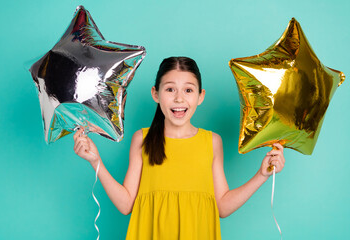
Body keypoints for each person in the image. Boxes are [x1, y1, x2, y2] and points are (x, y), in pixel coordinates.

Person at [73, 56, 285, 240]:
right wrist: (96, 161)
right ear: (156, 94)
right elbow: (126, 203)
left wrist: (261, 175)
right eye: (170, 89)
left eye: (188, 90)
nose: (179, 98)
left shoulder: (212, 142)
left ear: (200, 96)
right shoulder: (142, 139)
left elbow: (222, 206)